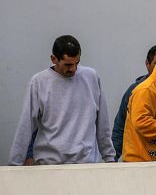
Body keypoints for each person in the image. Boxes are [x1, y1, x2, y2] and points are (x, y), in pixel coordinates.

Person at [8, 35, 115, 165]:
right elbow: (26, 126)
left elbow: (102, 123)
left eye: (77, 63)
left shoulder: (91, 77)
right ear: (54, 59)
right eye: (68, 65)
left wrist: (109, 158)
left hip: (86, 164)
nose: (74, 69)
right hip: (50, 165)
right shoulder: (39, 82)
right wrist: (15, 165)